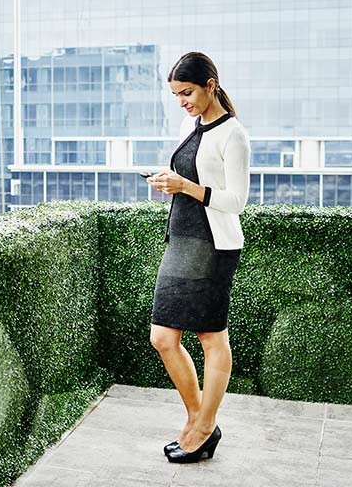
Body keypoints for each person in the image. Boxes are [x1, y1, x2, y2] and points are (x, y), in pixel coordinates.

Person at [146, 51, 250, 464]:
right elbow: (194, 180)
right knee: (163, 338)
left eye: (187, 92)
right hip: (182, 244)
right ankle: (198, 418)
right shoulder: (195, 127)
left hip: (213, 247)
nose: (182, 101)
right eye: (176, 95)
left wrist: (186, 186)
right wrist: (171, 184)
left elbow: (236, 200)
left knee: (211, 337)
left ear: (210, 85)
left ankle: (203, 427)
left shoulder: (233, 134)